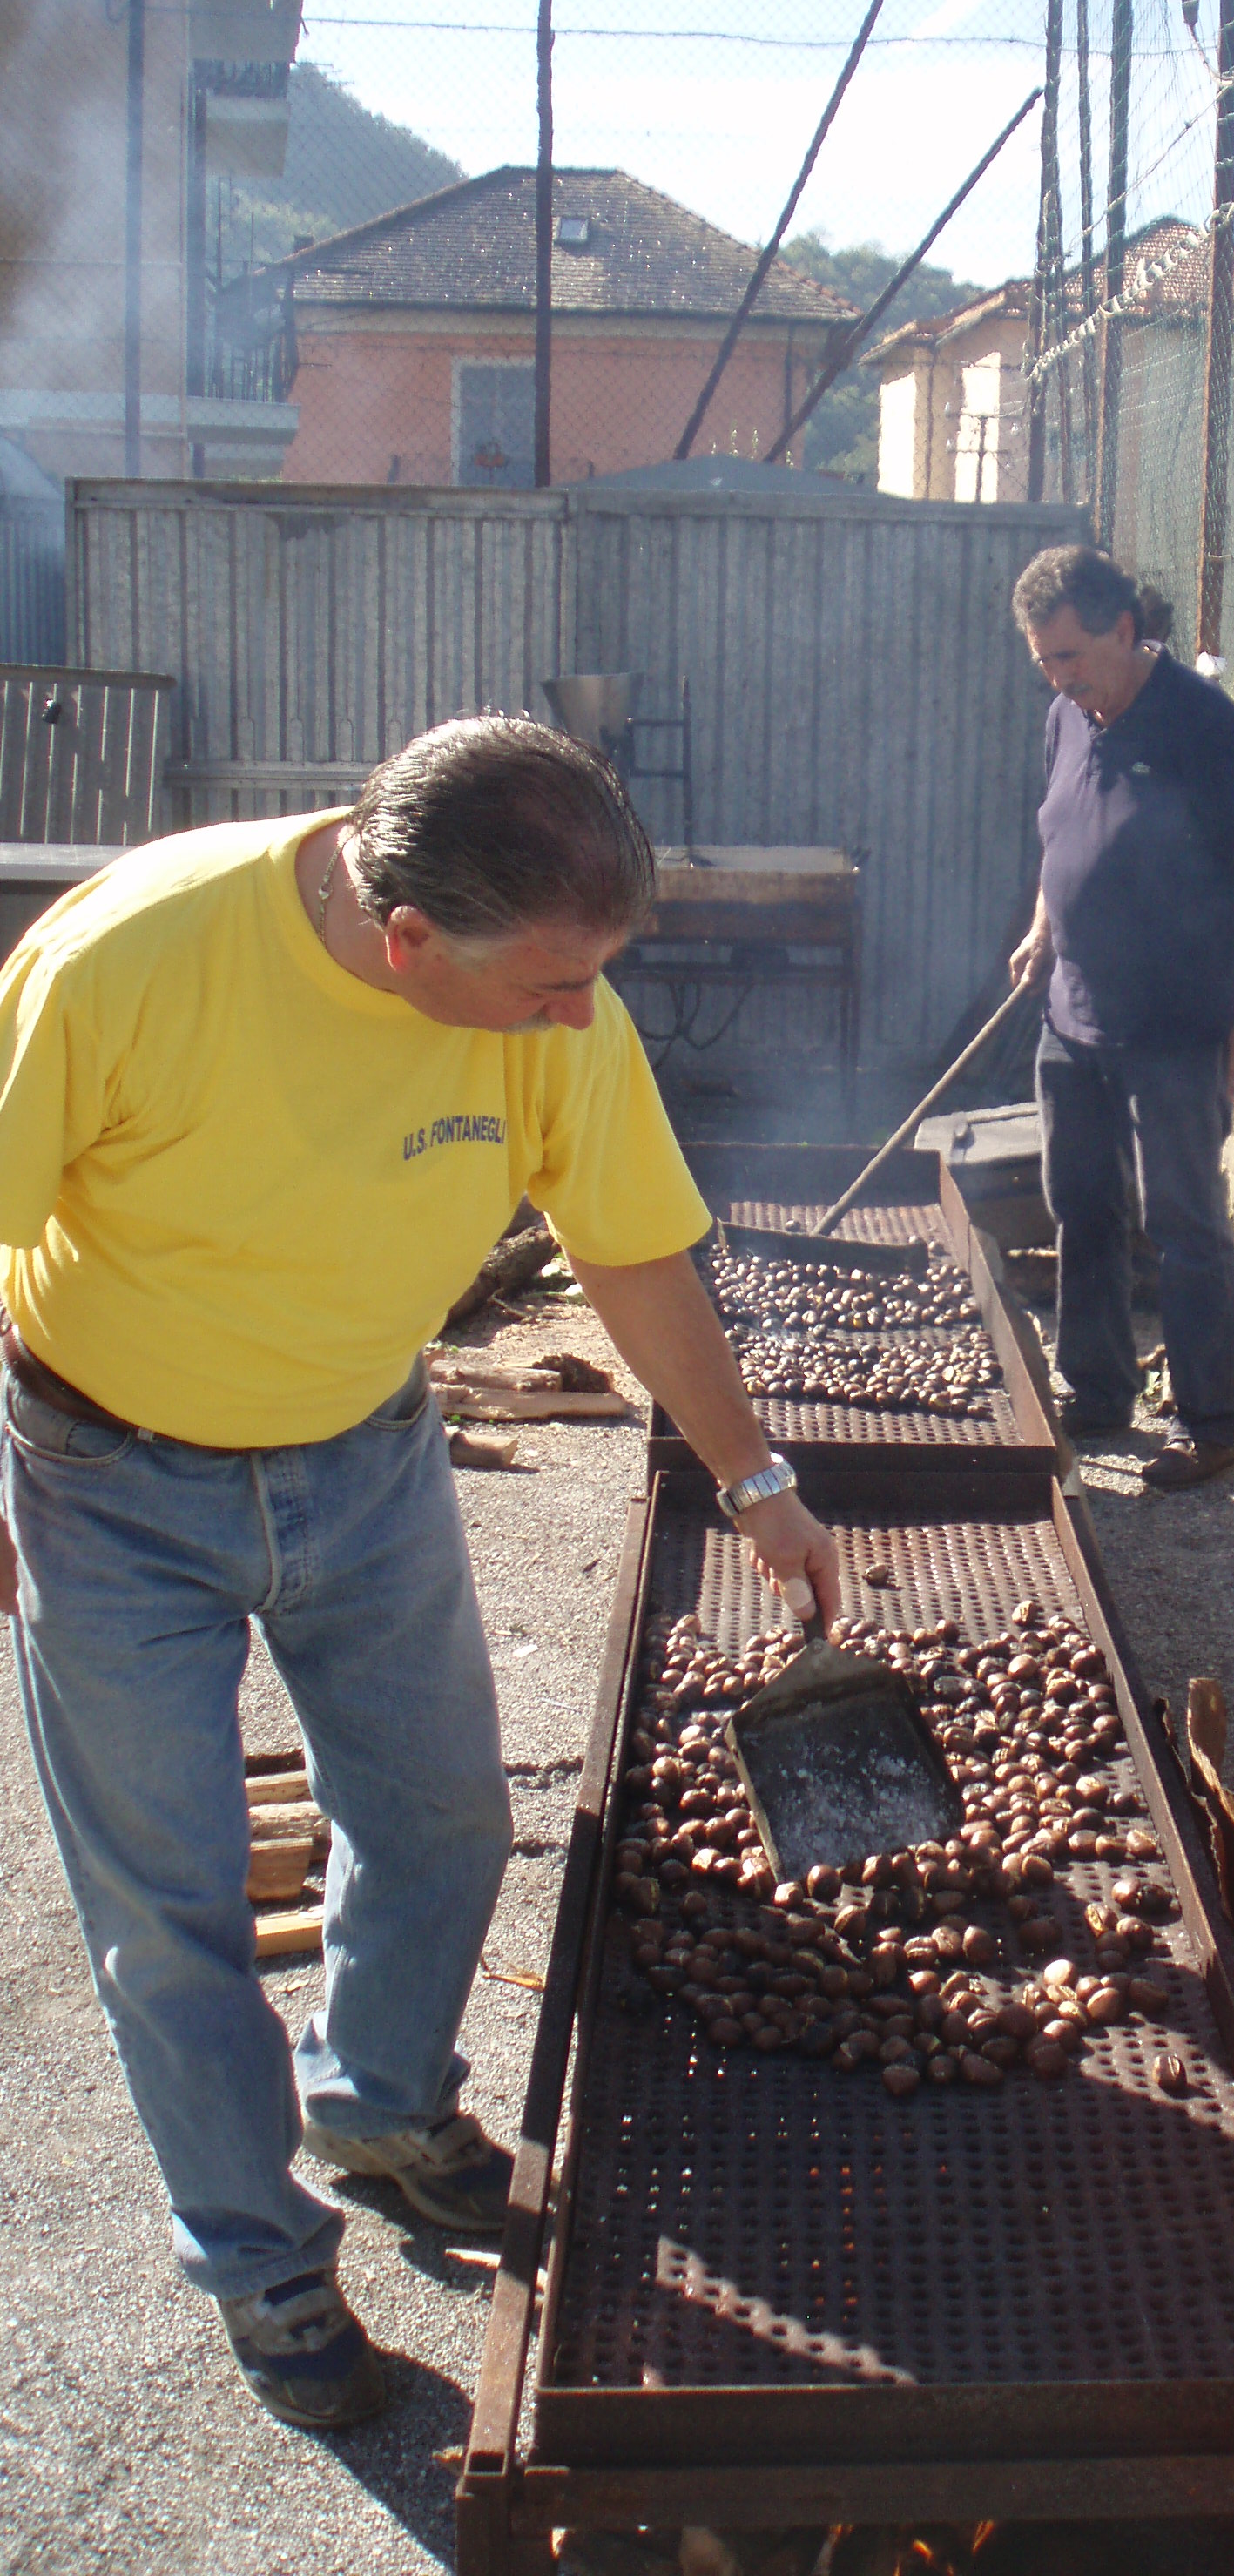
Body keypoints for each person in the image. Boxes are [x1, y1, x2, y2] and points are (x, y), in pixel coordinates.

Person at [0, 718, 839, 2431]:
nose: (575, 1019)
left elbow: (627, 1244)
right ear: (403, 948)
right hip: (108, 1480)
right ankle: (261, 2270)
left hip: (367, 1455)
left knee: (447, 1813)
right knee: (171, 1915)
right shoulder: (123, 962)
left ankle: (378, 2103)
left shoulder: (558, 1006)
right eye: (543, 989)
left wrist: (757, 1477)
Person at [1008, 546, 1234, 1489]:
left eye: (1072, 657)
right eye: (1046, 660)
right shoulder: (1066, 716)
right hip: (1073, 1014)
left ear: (1124, 631)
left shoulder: (1200, 726)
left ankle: (1213, 1421)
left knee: (1184, 1219)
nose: (1059, 677)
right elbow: (1066, 835)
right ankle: (1096, 1391)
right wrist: (1043, 925)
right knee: (1081, 1208)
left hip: (1175, 1025)